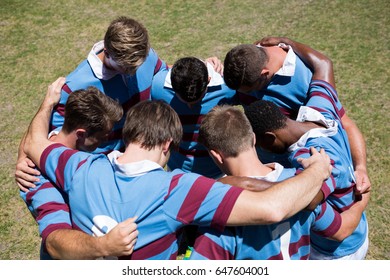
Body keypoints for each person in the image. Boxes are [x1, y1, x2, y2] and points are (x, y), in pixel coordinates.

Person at [22, 79, 332, 260]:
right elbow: (272, 208)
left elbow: (35, 144)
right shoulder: (179, 189)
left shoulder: (77, 166)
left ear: (128, 135)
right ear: (168, 145)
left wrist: (48, 103)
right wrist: (316, 171)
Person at [16, 16, 166, 259]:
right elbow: (47, 137)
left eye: (136, 68)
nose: (131, 74)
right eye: (124, 68)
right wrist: (24, 157)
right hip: (92, 186)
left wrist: (205, 67)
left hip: (133, 175)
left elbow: (164, 77)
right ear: (107, 51)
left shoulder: (142, 56)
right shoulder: (74, 86)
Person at [188, 105, 369, 260]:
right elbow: (340, 230)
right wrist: (363, 199)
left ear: (215, 155)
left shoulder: (219, 210)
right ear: (253, 138)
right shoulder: (305, 186)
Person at [243, 37, 369, 259]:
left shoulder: (311, 158)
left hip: (335, 253)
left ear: (270, 137)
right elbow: (324, 64)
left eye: (259, 143)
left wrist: (242, 183)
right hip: (356, 234)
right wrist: (284, 41)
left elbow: (309, 200)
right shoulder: (320, 108)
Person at [223, 39, 370, 194]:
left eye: (249, 90)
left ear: (264, 74)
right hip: (264, 171)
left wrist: (360, 168)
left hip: (301, 176)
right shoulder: (246, 62)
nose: (244, 95)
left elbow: (345, 124)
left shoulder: (304, 79)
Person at [19, 81, 138, 259]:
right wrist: (104, 246)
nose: (105, 141)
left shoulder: (55, 136)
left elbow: (34, 138)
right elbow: (54, 241)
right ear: (81, 134)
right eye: (101, 137)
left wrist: (48, 103)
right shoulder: (37, 176)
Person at [151, 56, 238, 179]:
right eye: (184, 100)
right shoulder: (157, 87)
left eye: (197, 99)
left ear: (208, 80)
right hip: (176, 172)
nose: (190, 106)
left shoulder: (227, 89)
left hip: (218, 173)